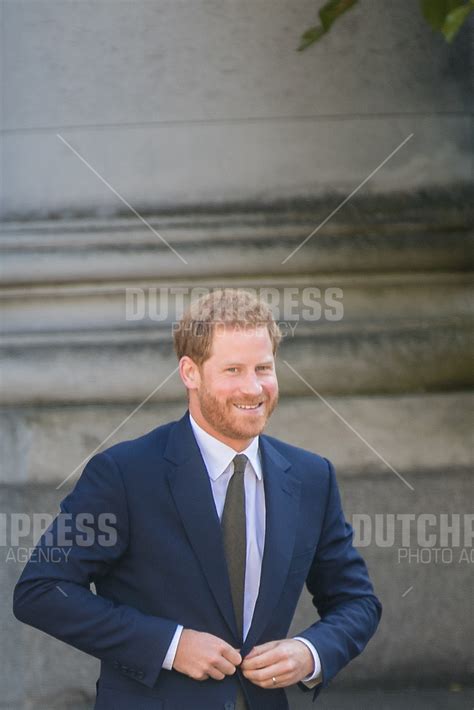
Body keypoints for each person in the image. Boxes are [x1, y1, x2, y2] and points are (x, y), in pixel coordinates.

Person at [13, 288, 381, 710]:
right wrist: (171, 645)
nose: (253, 387)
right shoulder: (123, 473)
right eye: (233, 370)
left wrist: (309, 652)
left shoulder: (313, 477)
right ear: (190, 372)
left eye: (263, 367)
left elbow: (357, 602)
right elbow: (41, 590)